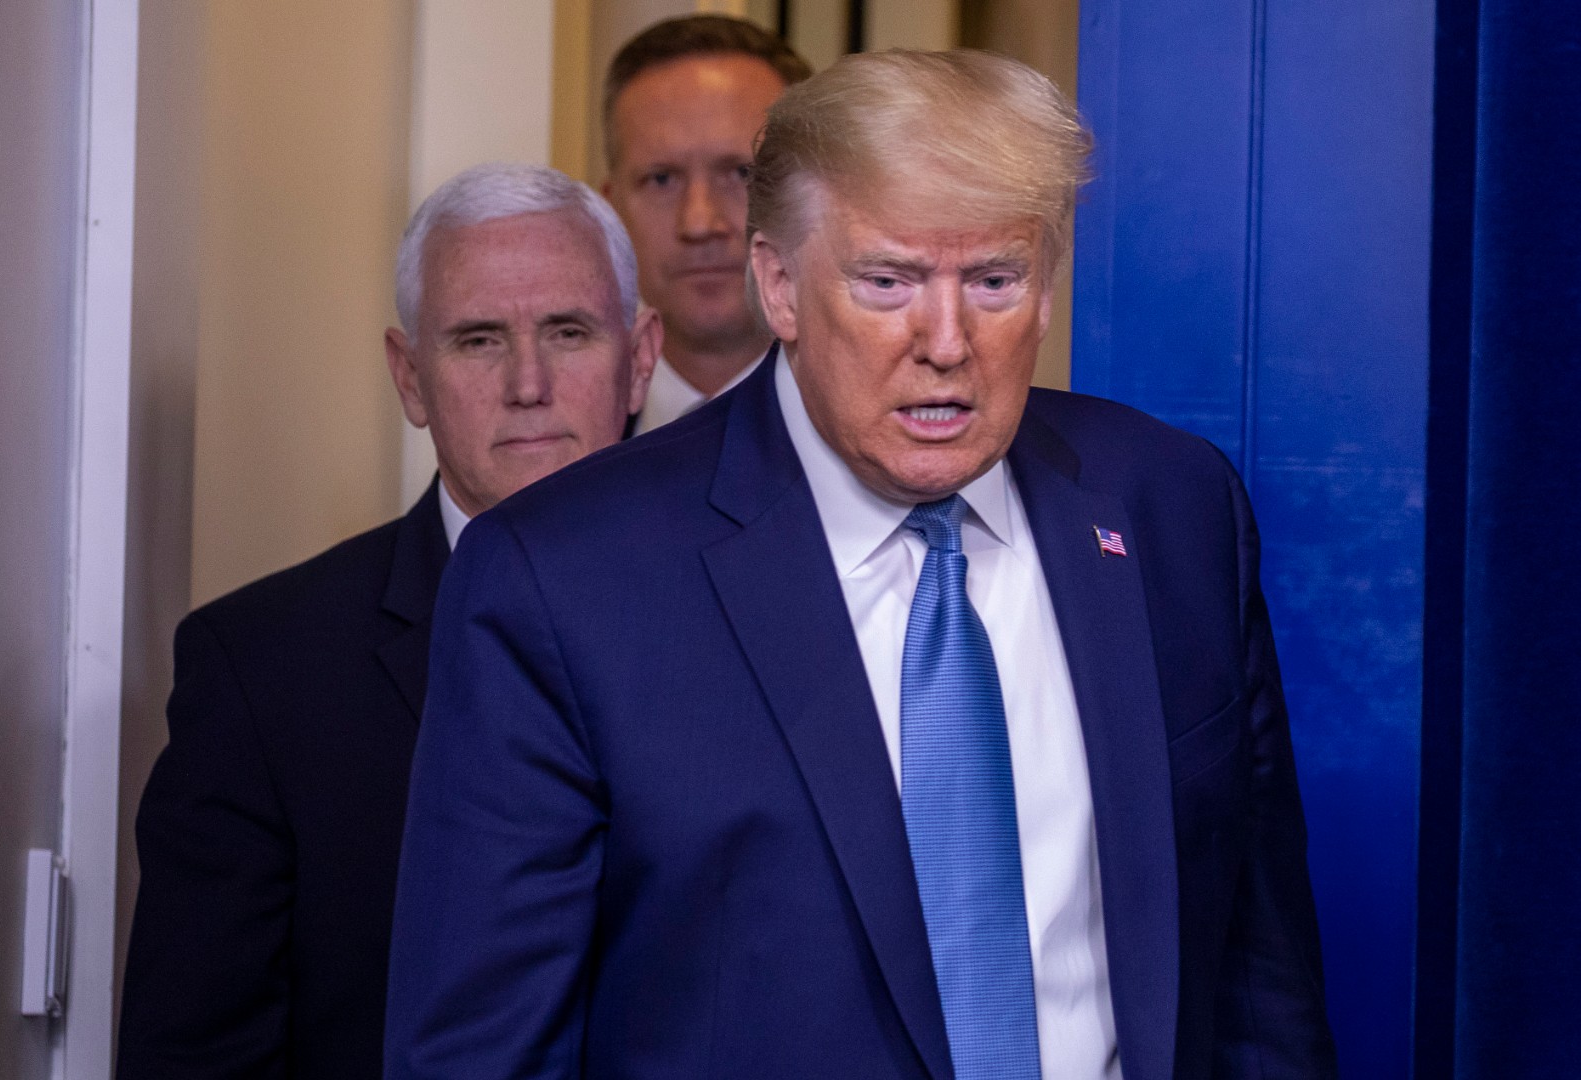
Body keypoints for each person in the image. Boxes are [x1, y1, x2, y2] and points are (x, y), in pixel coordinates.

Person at [386, 51, 1337, 1080]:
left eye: (994, 280)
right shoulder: (561, 580)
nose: (946, 341)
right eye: (887, 282)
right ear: (780, 285)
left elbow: (1259, 985)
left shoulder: (1169, 509)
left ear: (1050, 289)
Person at [118, 163, 658, 1080]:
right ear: (410, 378)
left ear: (639, 359)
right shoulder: (264, 670)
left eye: (568, 332)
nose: (528, 382)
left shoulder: (764, 618)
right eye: (479, 340)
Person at [601, 15, 810, 432]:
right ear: (610, 210)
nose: (699, 223)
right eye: (661, 179)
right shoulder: (559, 444)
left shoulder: (904, 446)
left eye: (741, 174)